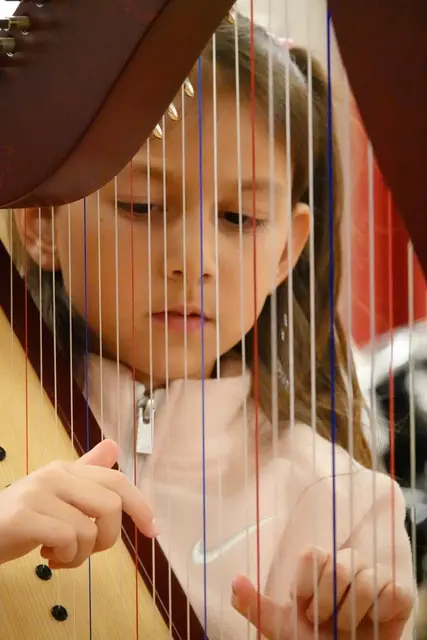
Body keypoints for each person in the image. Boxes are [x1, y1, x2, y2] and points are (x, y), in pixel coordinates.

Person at [4, 14, 414, 639]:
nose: (193, 261)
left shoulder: (346, 508)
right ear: (42, 224)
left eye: (239, 218)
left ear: (288, 249)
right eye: (143, 205)